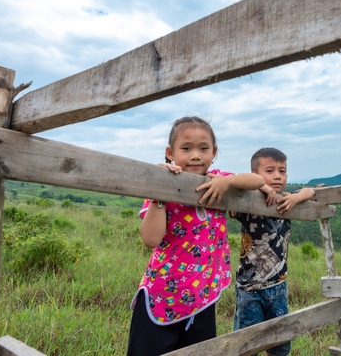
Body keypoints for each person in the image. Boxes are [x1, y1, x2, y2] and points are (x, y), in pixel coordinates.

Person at [127, 116, 264, 356]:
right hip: (161, 294)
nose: (195, 155)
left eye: (203, 148)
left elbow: (258, 180)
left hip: (203, 294)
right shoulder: (164, 182)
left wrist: (228, 181)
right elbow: (151, 239)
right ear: (170, 152)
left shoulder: (218, 178)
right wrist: (160, 192)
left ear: (214, 152)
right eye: (186, 148)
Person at [231, 147, 315, 356]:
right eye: (269, 171)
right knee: (247, 344)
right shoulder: (246, 202)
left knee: (280, 343)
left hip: (278, 285)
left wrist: (295, 199)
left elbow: (310, 191)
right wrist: (261, 187)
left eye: (282, 171)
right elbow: (235, 182)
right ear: (256, 175)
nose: (277, 176)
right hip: (250, 289)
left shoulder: (286, 201)